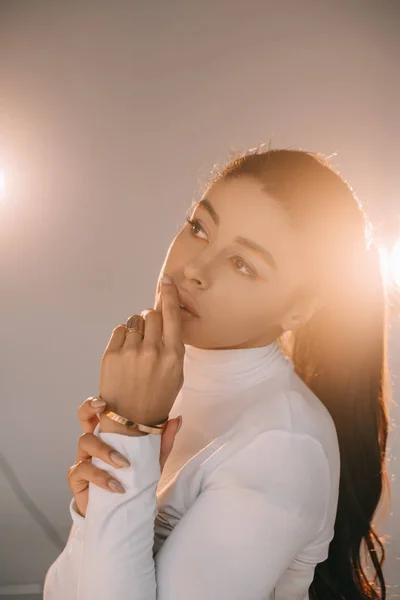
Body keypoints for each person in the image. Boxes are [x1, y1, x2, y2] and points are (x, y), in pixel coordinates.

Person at [43, 148, 390, 600]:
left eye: (244, 264)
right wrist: (98, 510)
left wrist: (131, 432)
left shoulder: (282, 447)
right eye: (200, 228)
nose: (194, 269)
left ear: (298, 309)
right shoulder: (165, 382)